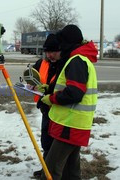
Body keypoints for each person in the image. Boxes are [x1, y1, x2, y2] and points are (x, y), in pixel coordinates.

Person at [40, 25, 98, 179]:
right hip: (74, 124)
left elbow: (75, 93)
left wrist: (52, 99)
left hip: (70, 124)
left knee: (50, 171)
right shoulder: (80, 59)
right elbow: (73, 87)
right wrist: (51, 89)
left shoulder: (76, 60)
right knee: (70, 171)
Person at [31, 34, 61, 178]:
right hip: (45, 107)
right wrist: (30, 84)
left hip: (59, 108)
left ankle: (51, 171)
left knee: (56, 143)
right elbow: (32, 77)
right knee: (46, 140)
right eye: (47, 52)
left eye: (53, 51)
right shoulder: (41, 63)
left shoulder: (64, 65)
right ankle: (45, 168)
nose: (49, 55)